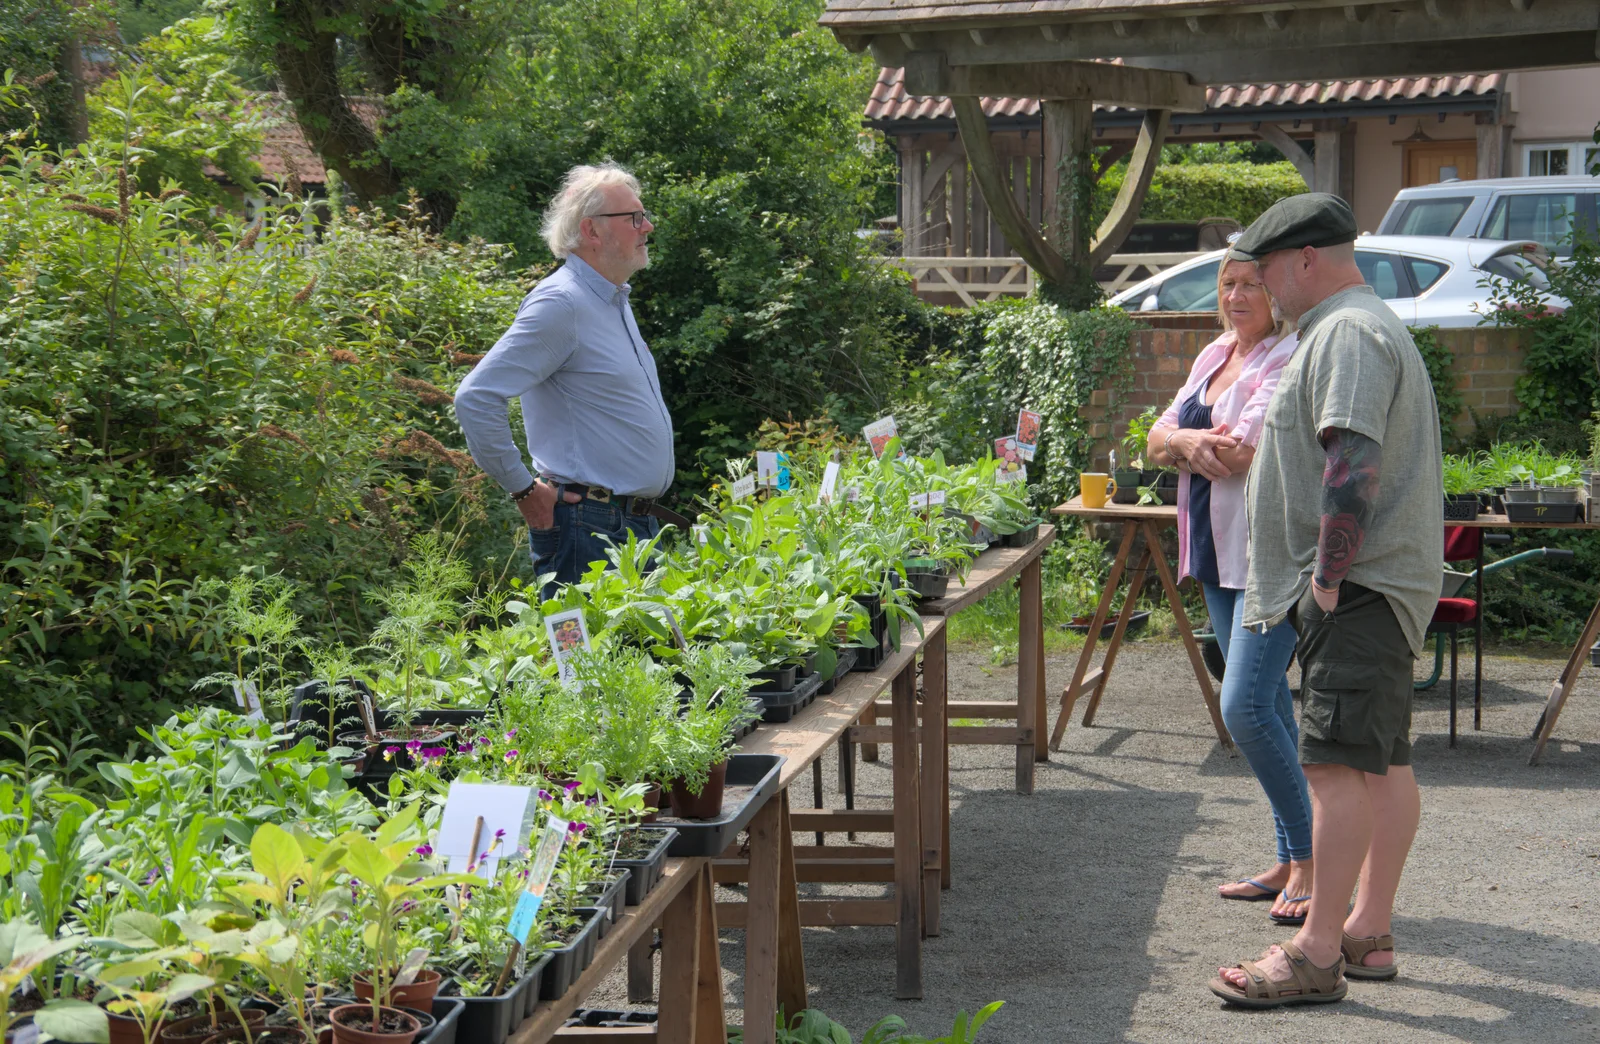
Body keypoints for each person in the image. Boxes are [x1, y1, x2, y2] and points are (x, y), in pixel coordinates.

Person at [1209, 193, 1444, 1008]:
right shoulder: (1357, 326)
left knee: (1334, 765)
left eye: (1267, 268)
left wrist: (1326, 581)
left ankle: (1315, 952)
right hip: (1378, 587)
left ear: (1305, 257)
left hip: (1359, 588)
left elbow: (1352, 464)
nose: (1263, 286)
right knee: (1383, 764)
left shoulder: (1346, 332)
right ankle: (1367, 932)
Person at [1145, 259, 1310, 928]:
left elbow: (1245, 454)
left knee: (1242, 706)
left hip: (1266, 556)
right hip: (1213, 553)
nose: (1237, 296)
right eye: (1228, 286)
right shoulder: (1214, 353)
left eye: (1250, 285)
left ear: (1277, 293)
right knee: (1271, 705)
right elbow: (1154, 440)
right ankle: (1285, 858)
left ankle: (1313, 857)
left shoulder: (1288, 355)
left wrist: (1182, 444)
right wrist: (1186, 439)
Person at [454, 162, 684, 598]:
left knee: (631, 664)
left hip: (625, 526)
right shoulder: (562, 304)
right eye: (634, 217)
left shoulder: (612, 299)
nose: (648, 226)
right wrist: (524, 491)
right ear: (591, 231)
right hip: (586, 529)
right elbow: (476, 397)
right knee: (583, 665)